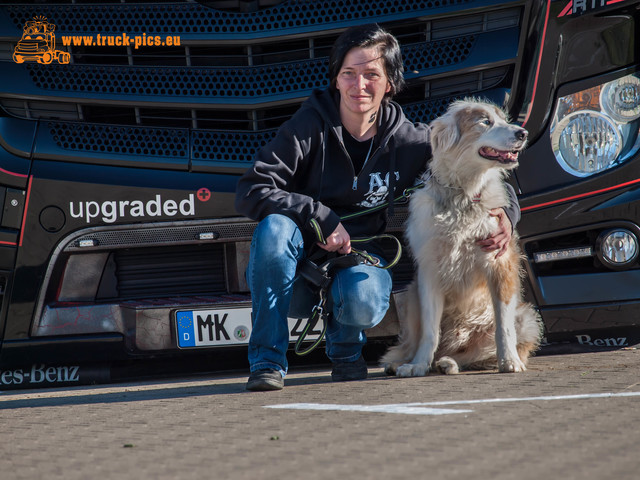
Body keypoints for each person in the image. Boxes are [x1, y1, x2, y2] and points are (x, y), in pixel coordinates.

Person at [235, 23, 520, 391]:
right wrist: (320, 217)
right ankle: (267, 363)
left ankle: (346, 353)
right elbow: (251, 189)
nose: (359, 86)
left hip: (360, 260)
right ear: (335, 80)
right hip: (300, 269)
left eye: (371, 75)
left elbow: (479, 170)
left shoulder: (411, 140)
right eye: (348, 74)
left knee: (365, 298)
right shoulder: (307, 127)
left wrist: (507, 218)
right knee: (273, 229)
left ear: (391, 84)